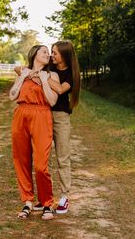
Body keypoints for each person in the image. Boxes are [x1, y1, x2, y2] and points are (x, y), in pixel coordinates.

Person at [15, 40, 81, 214]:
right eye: (51, 51)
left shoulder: (70, 74)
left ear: (65, 55)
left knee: (62, 157)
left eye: (56, 53)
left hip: (60, 116)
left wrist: (39, 76)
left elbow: (59, 90)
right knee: (41, 159)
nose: (52, 55)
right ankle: (44, 199)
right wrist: (31, 73)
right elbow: (19, 69)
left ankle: (64, 196)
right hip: (42, 114)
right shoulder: (48, 66)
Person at [9, 45, 59, 220]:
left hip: (42, 115)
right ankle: (27, 202)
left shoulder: (52, 75)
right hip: (21, 114)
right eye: (44, 52)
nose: (48, 55)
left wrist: (45, 80)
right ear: (34, 54)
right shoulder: (25, 72)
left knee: (40, 164)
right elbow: (12, 95)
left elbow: (52, 101)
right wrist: (22, 77)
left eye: (49, 53)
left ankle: (47, 204)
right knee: (21, 159)